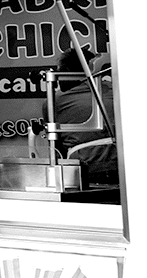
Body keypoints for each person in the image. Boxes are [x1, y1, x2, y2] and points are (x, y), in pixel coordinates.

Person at [45, 48, 119, 185]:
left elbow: (56, 149)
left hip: (84, 169)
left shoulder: (54, 101)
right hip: (121, 163)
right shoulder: (116, 91)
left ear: (66, 72)